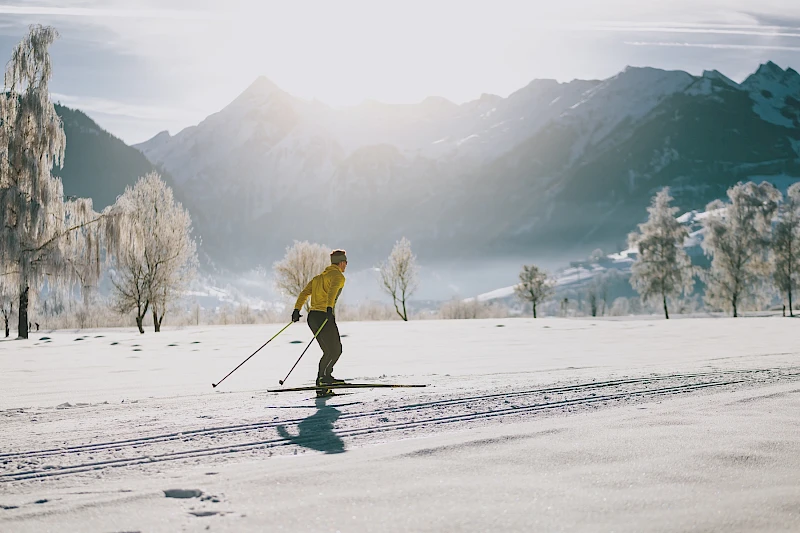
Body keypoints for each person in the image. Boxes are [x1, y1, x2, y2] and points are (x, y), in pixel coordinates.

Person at [292, 250, 348, 396]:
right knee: (336, 350)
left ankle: (324, 381)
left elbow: (304, 293)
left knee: (328, 351)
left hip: (312, 318)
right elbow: (332, 292)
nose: (346, 266)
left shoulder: (318, 278)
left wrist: (296, 310)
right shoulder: (338, 276)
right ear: (341, 263)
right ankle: (324, 380)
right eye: (346, 263)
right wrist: (329, 308)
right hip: (324, 315)